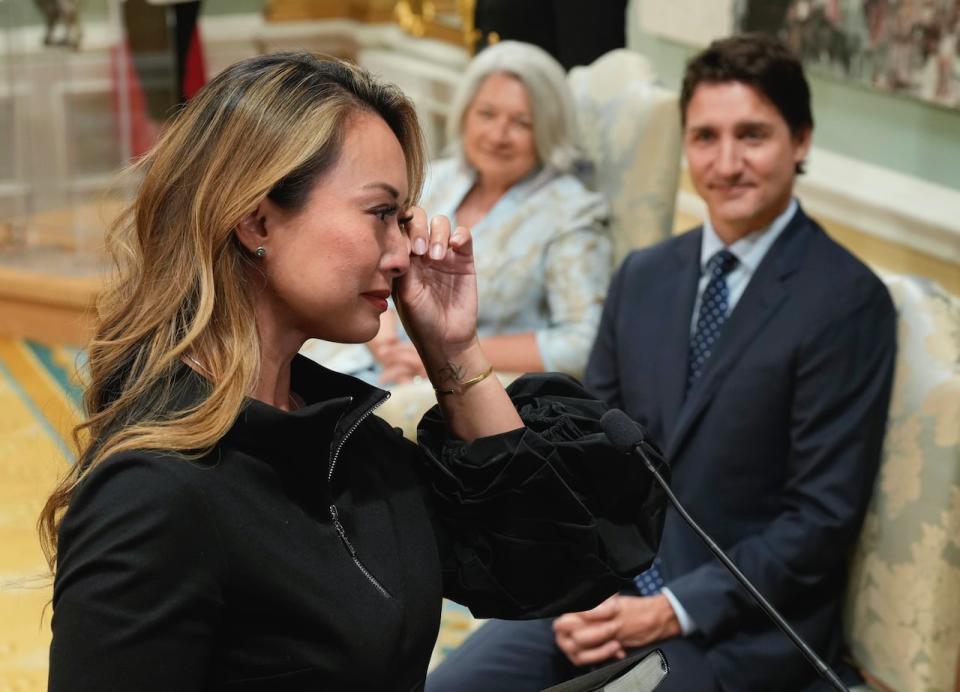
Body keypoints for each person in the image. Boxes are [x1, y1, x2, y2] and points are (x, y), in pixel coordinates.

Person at [40, 53, 668, 691]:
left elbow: (548, 563)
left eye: (404, 221)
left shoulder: (349, 446)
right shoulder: (152, 493)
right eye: (380, 215)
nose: (403, 254)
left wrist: (454, 351)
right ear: (258, 220)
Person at [427, 34, 896, 692]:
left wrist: (671, 609)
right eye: (705, 137)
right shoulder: (643, 276)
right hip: (601, 591)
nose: (726, 162)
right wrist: (573, 583)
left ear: (802, 141)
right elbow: (591, 462)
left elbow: (818, 521)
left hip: (735, 626)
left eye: (752, 136)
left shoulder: (848, 303)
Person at [365, 40, 611, 384]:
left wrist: (444, 354)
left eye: (521, 123)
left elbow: (581, 344)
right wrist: (385, 343)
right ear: (465, 114)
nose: (498, 135)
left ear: (548, 129)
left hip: (470, 382)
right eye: (487, 114)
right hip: (376, 354)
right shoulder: (434, 178)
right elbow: (375, 261)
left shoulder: (572, 212)